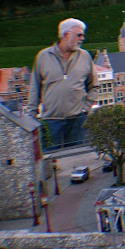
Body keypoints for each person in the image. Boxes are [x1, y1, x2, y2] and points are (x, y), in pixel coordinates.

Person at [26, 18, 99, 150]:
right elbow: (35, 88)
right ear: (65, 34)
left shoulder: (85, 56)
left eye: (83, 35)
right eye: (79, 35)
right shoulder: (43, 56)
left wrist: (85, 108)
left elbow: (94, 86)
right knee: (53, 158)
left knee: (77, 157)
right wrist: (31, 116)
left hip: (78, 121)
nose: (82, 38)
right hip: (51, 121)